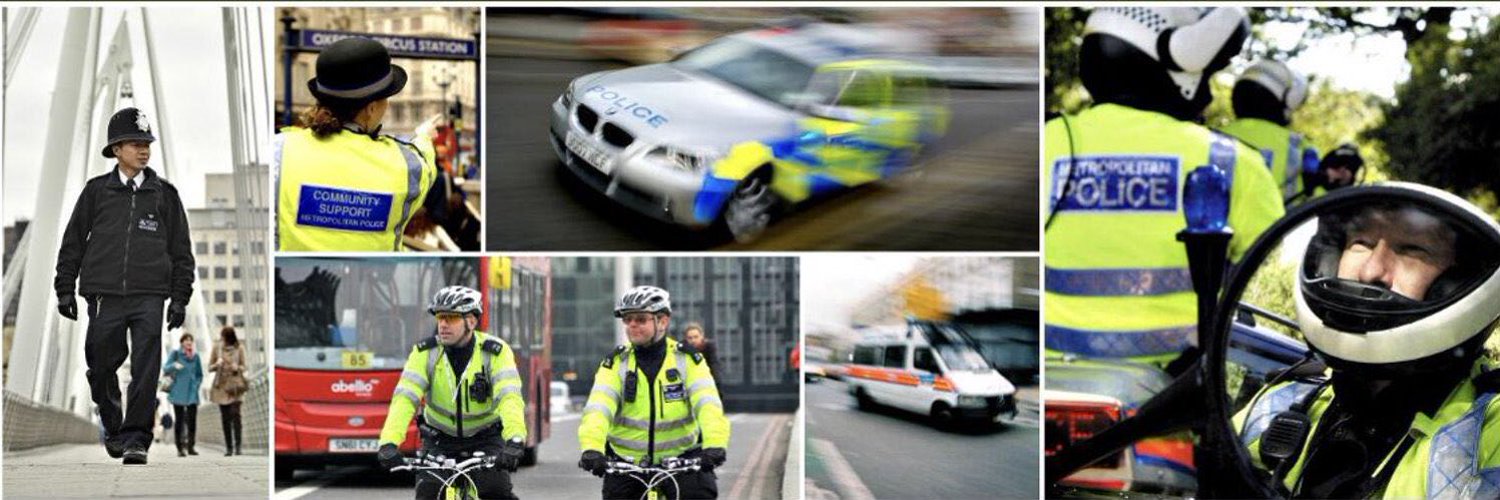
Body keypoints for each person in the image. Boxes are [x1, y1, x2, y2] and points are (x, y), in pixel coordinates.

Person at [1044, 7, 1285, 366]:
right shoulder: (1232, 161)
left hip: (1056, 384)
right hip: (1174, 402)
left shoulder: (1048, 142)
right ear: (1176, 62)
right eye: (1203, 73)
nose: (1206, 89)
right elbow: (1270, 284)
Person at [1233, 185, 1500, 498]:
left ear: (1457, 281)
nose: (1372, 271)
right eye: (1361, 242)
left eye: (1412, 249)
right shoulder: (1278, 405)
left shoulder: (1488, 432)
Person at [54, 106, 196, 465]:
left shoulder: (164, 195)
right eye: (135, 144)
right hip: (103, 294)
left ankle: (136, 439)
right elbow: (73, 243)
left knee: (146, 368)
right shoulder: (96, 192)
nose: (144, 150)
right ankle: (113, 423)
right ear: (116, 150)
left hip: (150, 295)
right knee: (101, 364)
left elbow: (182, 251)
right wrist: (65, 289)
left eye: (146, 143)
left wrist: (180, 299)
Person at [274, 37, 441, 251]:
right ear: (371, 109)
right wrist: (424, 136)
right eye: (386, 99)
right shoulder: (407, 166)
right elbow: (425, 164)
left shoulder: (280, 151)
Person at [578, 286, 731, 499]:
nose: (631, 325)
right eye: (627, 319)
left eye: (640, 319)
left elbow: (708, 404)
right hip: (626, 463)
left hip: (681, 460)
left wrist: (714, 445)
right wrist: (592, 448)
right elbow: (598, 408)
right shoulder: (615, 364)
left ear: (663, 321)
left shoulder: (687, 361)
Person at [376, 286, 526, 500]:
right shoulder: (425, 353)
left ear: (471, 321)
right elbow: (405, 399)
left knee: (496, 491)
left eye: (451, 318)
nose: (443, 325)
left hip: (486, 438)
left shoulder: (495, 352)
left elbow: (510, 397)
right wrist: (389, 442)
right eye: (440, 318)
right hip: (439, 440)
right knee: (427, 493)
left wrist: (515, 440)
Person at [1221, 59, 1316, 206]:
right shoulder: (1302, 148)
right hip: (1282, 227)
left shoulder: (1210, 137)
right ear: (1287, 102)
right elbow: (1322, 199)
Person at [210, 326, 248, 456]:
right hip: (221, 387)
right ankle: (229, 447)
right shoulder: (217, 349)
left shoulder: (240, 348)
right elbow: (210, 367)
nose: (223, 340)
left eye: (224, 338)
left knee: (236, 415)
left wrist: (238, 367)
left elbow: (245, 366)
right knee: (225, 418)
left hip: (236, 386)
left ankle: (238, 446)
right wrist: (217, 364)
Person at [164, 332, 204, 457]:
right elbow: (165, 368)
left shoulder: (196, 357)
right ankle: (180, 448)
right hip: (178, 391)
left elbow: (199, 374)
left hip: (192, 392)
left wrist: (196, 385)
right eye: (186, 340)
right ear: (182, 342)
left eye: (190, 340)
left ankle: (191, 447)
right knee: (180, 420)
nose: (188, 342)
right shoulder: (176, 354)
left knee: (192, 421)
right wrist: (174, 365)